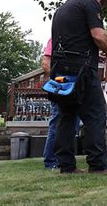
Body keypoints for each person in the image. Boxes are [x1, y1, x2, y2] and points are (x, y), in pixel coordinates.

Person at [51, 0, 107, 174]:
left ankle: (66, 166)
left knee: (66, 116)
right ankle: (98, 165)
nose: (100, 4)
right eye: (101, 0)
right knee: (95, 115)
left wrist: (94, 52)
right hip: (82, 70)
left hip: (60, 70)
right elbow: (99, 35)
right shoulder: (89, 3)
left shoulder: (61, 9)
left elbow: (75, 40)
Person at [41, 38, 81, 169]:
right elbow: (46, 63)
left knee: (72, 125)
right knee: (57, 124)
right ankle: (51, 161)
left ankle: (62, 159)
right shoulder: (56, 39)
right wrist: (58, 82)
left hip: (73, 90)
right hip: (61, 90)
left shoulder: (76, 39)